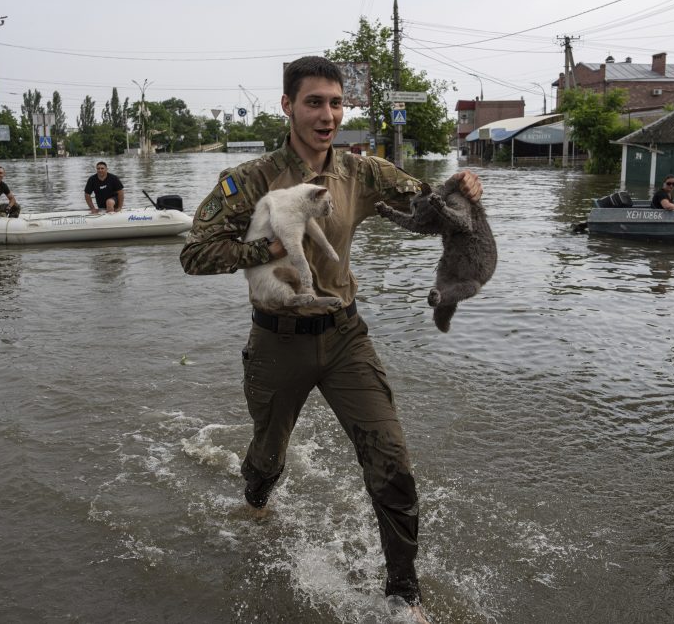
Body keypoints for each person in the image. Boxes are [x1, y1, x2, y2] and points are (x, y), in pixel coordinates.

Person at [179, 56, 482, 621]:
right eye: (314, 102)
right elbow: (193, 254)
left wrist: (461, 188)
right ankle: (256, 505)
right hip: (277, 343)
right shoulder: (249, 181)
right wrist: (272, 245)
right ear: (288, 106)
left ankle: (404, 595)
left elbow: (429, 204)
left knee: (391, 461)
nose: (327, 115)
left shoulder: (361, 174)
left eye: (336, 103)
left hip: (345, 337)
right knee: (267, 461)